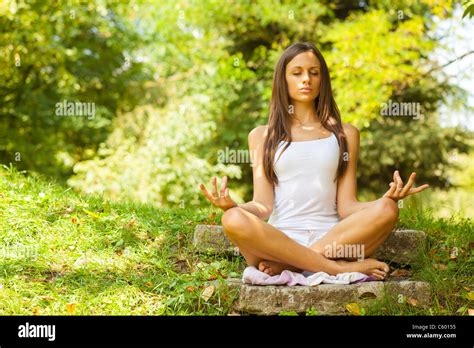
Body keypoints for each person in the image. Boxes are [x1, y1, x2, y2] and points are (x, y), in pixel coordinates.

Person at [199, 42, 429, 280]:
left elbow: (347, 206)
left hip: (334, 241)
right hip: (278, 243)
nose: (306, 79)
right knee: (232, 219)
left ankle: (296, 265)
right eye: (297, 73)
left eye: (314, 72)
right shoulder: (261, 136)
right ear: (283, 80)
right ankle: (337, 268)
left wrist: (384, 199)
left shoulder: (345, 134)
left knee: (387, 209)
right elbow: (262, 205)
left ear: (322, 80)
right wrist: (232, 206)